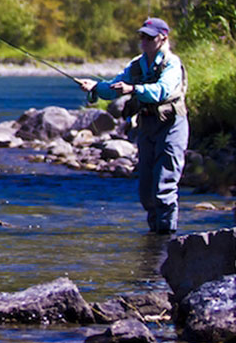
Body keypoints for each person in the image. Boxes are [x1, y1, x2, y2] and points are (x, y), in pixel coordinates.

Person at [77, 17, 188, 234]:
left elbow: (162, 90)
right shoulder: (137, 64)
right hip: (147, 125)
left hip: (171, 126)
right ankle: (155, 240)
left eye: (149, 38)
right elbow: (113, 88)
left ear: (163, 38)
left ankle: (167, 239)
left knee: (164, 186)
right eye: (142, 37)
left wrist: (134, 89)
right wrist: (95, 87)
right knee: (146, 190)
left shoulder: (172, 63)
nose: (144, 41)